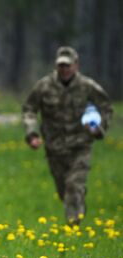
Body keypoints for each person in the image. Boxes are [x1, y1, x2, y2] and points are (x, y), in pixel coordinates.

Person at [22, 46, 112, 224]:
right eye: (61, 66)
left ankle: (73, 227)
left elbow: (106, 107)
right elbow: (29, 109)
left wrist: (99, 128)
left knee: (73, 185)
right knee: (64, 192)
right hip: (54, 148)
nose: (64, 69)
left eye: (67, 66)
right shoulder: (44, 86)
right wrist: (32, 133)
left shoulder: (87, 86)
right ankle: (78, 202)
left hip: (80, 146)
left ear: (76, 65)